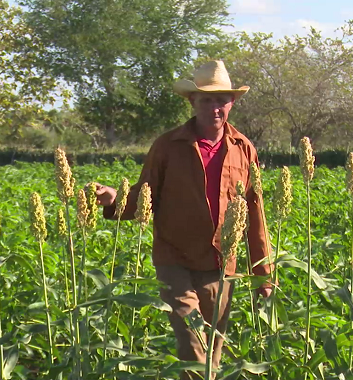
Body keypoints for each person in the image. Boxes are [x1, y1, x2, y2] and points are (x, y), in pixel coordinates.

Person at [92, 60, 273, 379]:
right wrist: (115, 199)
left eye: (221, 100)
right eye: (207, 99)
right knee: (192, 343)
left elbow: (254, 210)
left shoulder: (243, 149)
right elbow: (145, 194)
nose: (215, 107)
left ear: (231, 103)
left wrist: (263, 270)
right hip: (174, 259)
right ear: (192, 101)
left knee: (212, 353)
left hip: (221, 263)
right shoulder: (168, 146)